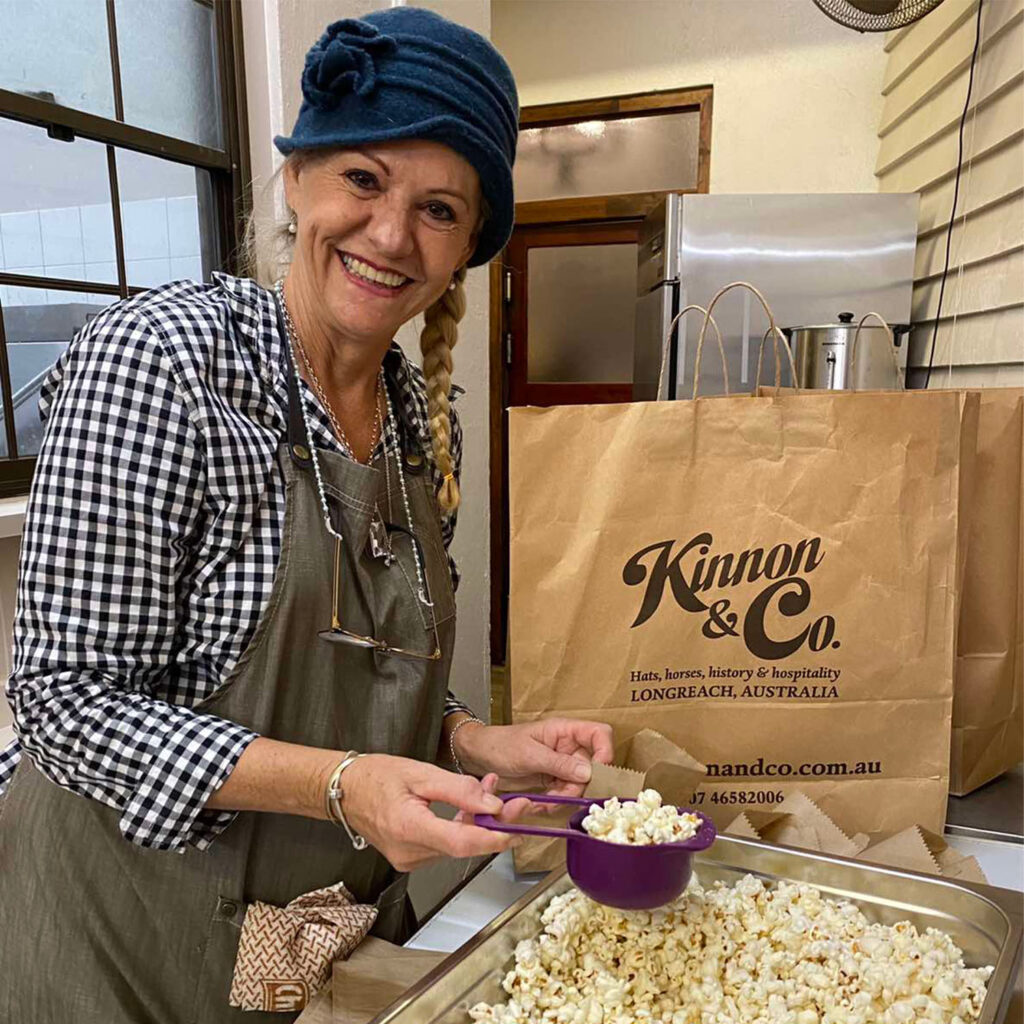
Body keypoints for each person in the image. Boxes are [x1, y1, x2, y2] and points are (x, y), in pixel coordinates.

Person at [0, 9, 613, 1022]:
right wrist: (343, 787)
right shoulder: (161, 364)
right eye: (363, 181)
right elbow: (68, 701)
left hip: (318, 928)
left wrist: (467, 740)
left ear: (466, 247)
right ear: (297, 178)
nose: (389, 235)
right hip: (123, 933)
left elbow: (360, 671)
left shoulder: (418, 416)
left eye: (438, 209)